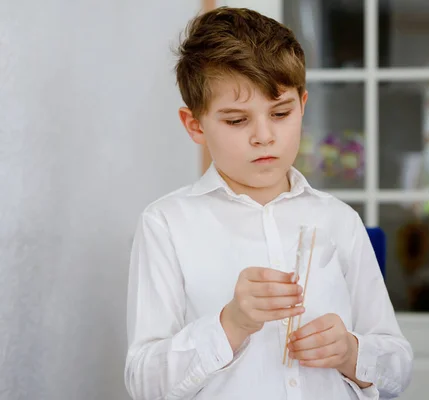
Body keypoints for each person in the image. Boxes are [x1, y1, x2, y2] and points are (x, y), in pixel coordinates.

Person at [124, 7, 413, 400]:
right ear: (195, 125)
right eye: (236, 121)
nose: (264, 136)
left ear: (302, 105)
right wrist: (231, 324)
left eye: (280, 113)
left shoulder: (340, 220)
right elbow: (144, 383)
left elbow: (399, 367)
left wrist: (350, 352)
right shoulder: (166, 224)